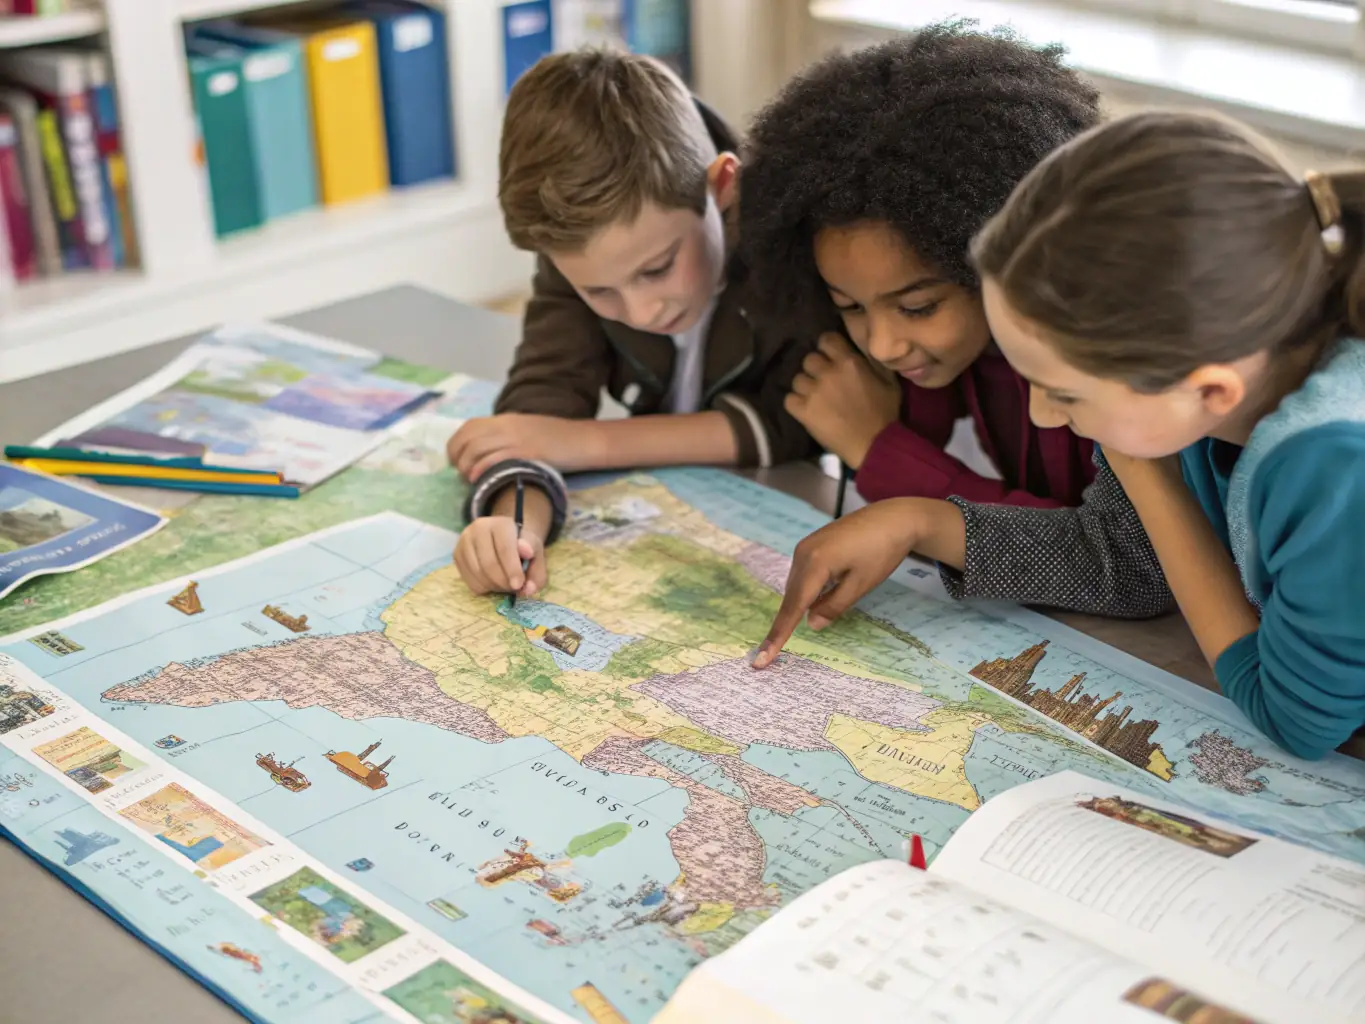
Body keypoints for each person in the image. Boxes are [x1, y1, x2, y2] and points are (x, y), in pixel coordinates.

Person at [792, 109, 1365, 759]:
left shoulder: (1334, 467)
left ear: (1209, 390)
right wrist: (920, 523)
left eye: (1064, 393)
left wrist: (1146, 475)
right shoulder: (1197, 374)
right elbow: (1130, 558)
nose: (1041, 416)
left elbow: (1296, 721)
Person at [449, 49, 814, 600]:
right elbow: (543, 400)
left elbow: (793, 420)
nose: (645, 312)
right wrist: (516, 523)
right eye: (599, 292)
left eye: (658, 268)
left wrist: (584, 443)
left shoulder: (792, 241)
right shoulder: (577, 241)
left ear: (721, 188)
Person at [739, 25, 1103, 512]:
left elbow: (1102, 558)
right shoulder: (953, 347)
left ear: (999, 255)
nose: (882, 345)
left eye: (918, 307)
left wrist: (877, 451)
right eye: (848, 305)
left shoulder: (1103, 359)